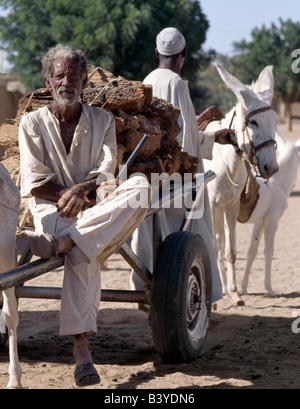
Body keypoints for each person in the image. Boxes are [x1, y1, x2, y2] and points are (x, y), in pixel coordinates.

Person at [18, 44, 150, 387]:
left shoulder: (102, 120)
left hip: (94, 208)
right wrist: (69, 193)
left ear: (83, 81)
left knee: (139, 186)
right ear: (48, 81)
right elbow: (34, 183)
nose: (67, 81)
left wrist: (84, 191)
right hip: (52, 210)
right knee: (84, 250)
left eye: (73, 75)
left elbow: (107, 175)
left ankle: (67, 242)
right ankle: (82, 350)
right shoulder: (32, 123)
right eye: (60, 75)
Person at [130, 27, 236, 304]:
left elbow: (169, 133)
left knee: (150, 236)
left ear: (156, 53)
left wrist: (212, 137)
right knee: (183, 241)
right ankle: (186, 301)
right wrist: (190, 180)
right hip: (176, 181)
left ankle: (148, 294)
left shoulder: (147, 80)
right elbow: (183, 139)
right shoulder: (176, 83)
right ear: (184, 54)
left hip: (150, 175)